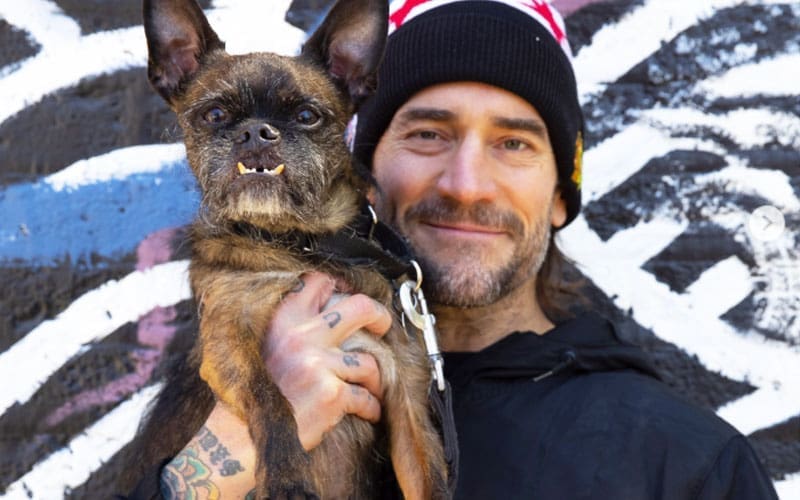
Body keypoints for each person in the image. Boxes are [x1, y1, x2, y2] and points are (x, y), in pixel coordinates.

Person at [130, 0, 779, 498]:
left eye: (514, 144)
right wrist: (235, 442)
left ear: (561, 194)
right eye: (428, 135)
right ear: (359, 169)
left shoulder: (691, 464)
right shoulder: (210, 378)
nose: (466, 185)